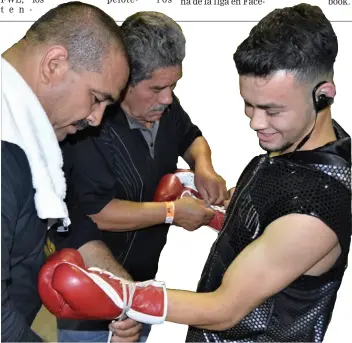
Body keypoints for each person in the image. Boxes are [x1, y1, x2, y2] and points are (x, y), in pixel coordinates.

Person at [39, 3, 350, 343]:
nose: (255, 123)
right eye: (250, 104)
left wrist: (125, 296)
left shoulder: (317, 205)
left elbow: (223, 309)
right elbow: (268, 234)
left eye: (272, 110)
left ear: (323, 96)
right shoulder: (292, 149)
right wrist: (215, 214)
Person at [55, 11, 227, 343]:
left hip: (143, 277)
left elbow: (191, 137)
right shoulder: (89, 125)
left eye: (173, 86)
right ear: (123, 80)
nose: (168, 98)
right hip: (94, 282)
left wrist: (205, 168)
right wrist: (172, 213)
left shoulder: (164, 105)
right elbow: (95, 211)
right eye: (157, 88)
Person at [1, 2, 130, 342]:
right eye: (96, 98)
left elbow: (63, 217)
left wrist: (122, 290)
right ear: (54, 65)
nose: (96, 118)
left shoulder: (30, 134)